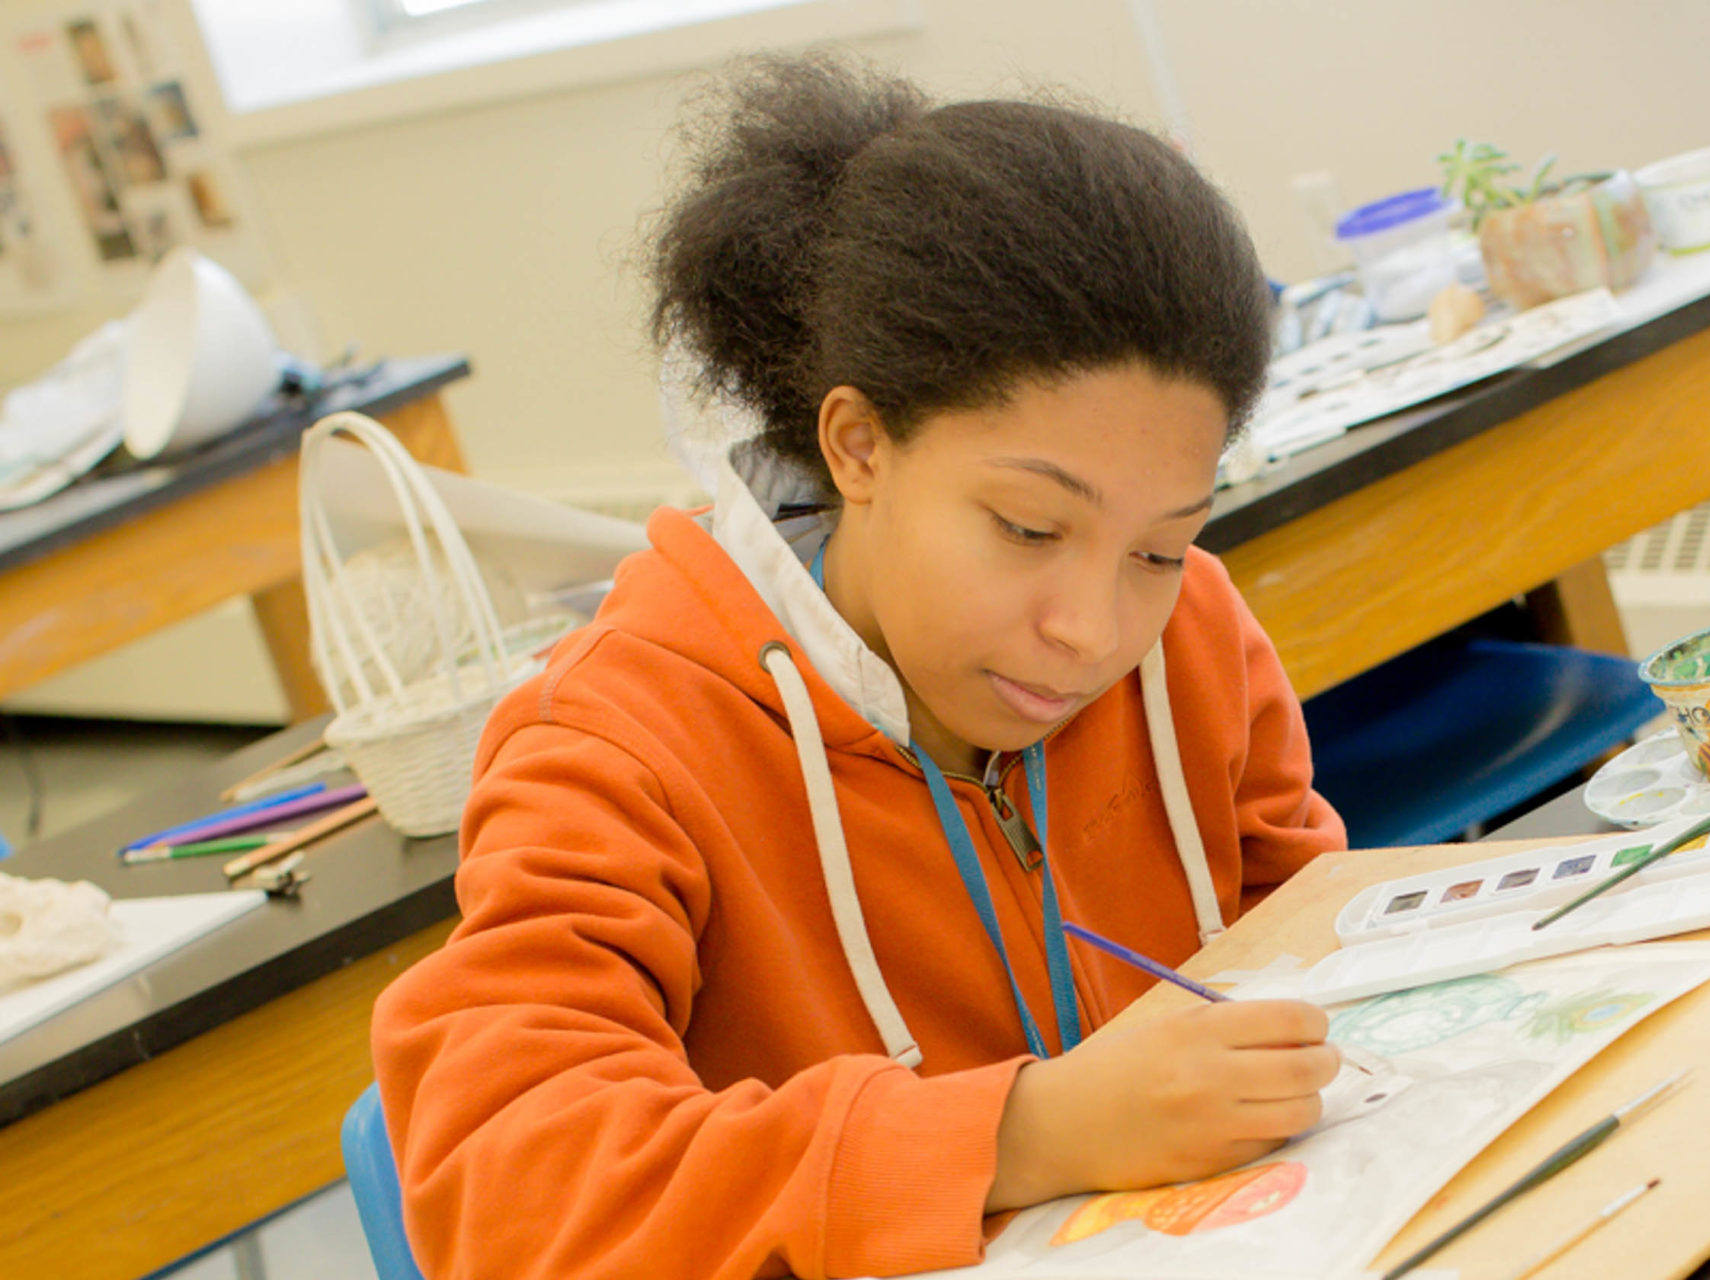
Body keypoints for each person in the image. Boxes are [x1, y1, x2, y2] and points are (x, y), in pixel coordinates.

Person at [371, 53, 1347, 1280]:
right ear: (859, 444)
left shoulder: (1187, 629)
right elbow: (508, 1192)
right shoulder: (618, 744)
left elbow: (1316, 938)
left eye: (1158, 544)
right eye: (1029, 529)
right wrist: (1021, 1132)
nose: (1092, 629)